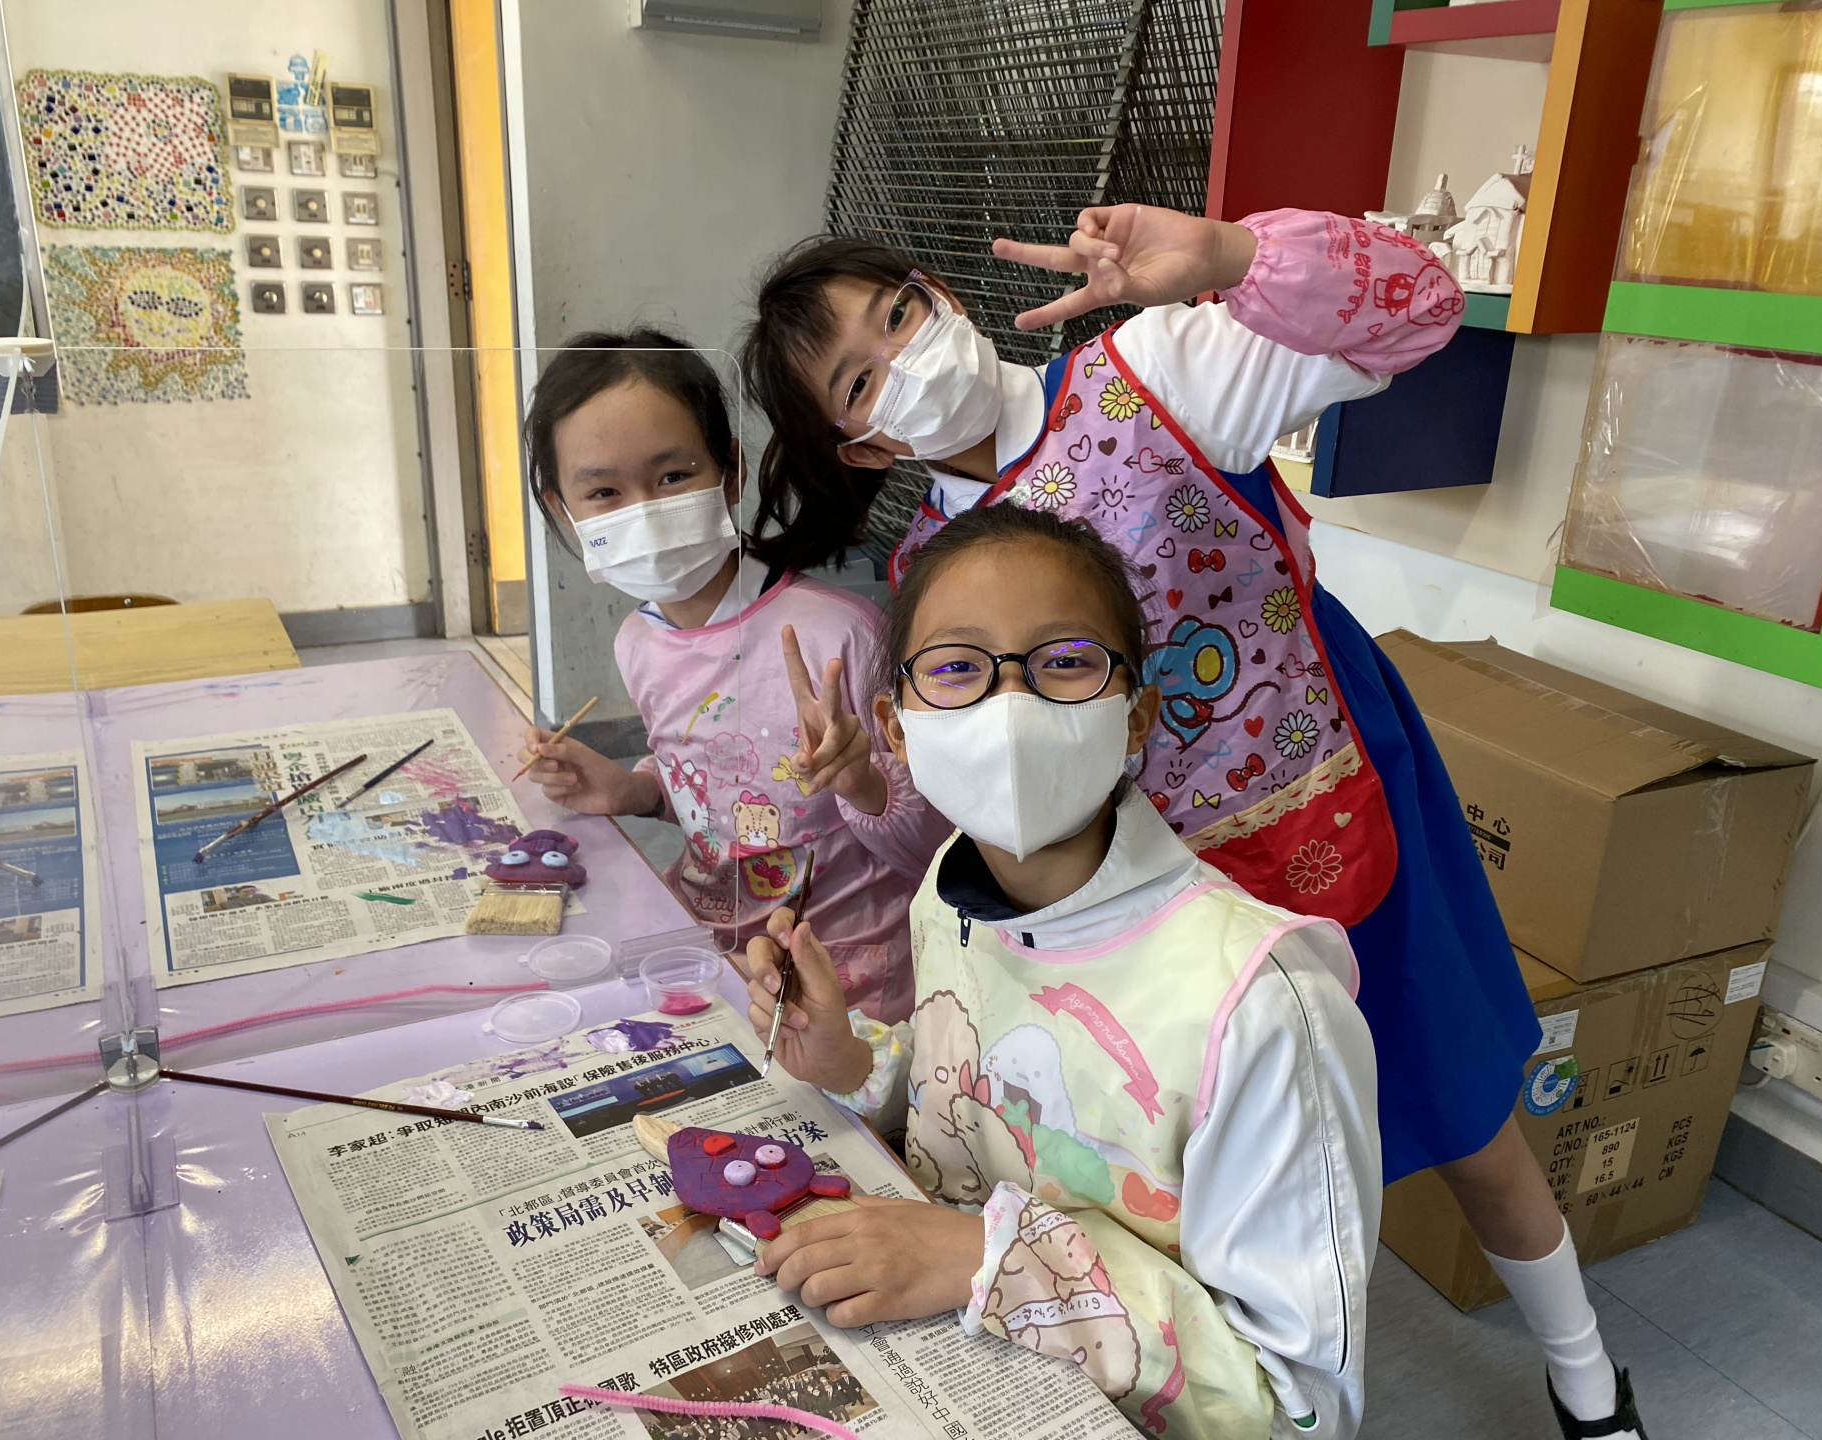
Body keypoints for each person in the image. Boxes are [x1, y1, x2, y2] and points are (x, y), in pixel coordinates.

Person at [740, 205, 1645, 1440]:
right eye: (860, 378)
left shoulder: (1153, 373)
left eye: (899, 315)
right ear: (861, 445)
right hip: (1144, 915)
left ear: (940, 292)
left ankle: (1588, 1383)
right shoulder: (932, 572)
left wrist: (1231, 260)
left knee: (1466, 1116)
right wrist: (868, 786)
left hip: (1326, 810)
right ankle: (1229, 1353)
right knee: (1179, 1177)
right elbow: (962, 835)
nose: (903, 357)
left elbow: (1419, 310)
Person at [746, 505, 1379, 1440]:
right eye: (956, 668)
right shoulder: (948, 890)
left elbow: (1301, 1406)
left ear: (1136, 717)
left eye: (1067, 661)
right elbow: (970, 1094)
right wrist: (850, 1061)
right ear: (897, 726)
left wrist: (991, 1259)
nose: (1011, 704)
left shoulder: (1262, 1005)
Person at [515, 331, 950, 1022]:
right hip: (704, 964)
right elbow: (713, 784)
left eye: (671, 477)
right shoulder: (638, 643)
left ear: (731, 472)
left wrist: (862, 783)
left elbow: (932, 846)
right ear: (563, 511)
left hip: (846, 992)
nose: (642, 510)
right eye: (603, 491)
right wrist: (636, 790)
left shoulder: (840, 635)